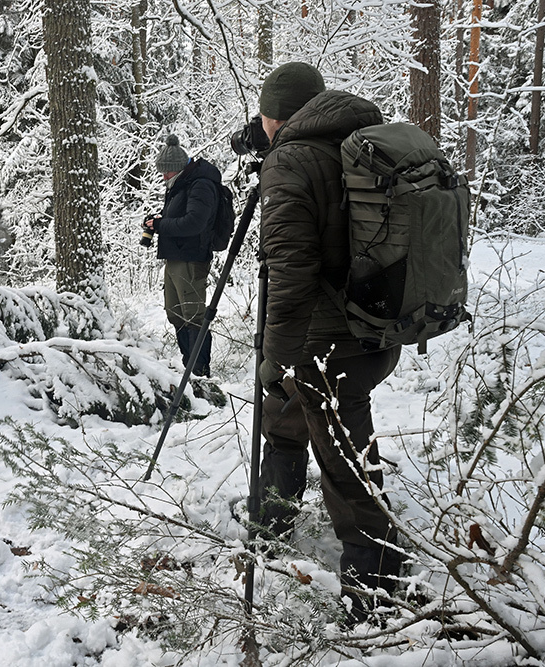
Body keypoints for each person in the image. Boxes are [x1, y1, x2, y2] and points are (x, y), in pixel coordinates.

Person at [254, 62, 402, 623]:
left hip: (327, 344)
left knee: (347, 468)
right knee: (286, 419)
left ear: (274, 117)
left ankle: (375, 593)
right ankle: (271, 517)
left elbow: (289, 275)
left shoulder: (291, 161)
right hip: (375, 329)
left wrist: (275, 359)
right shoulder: (359, 145)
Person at [142, 135, 220, 377]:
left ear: (177, 168)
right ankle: (189, 366)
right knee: (175, 313)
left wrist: (161, 225)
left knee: (193, 316)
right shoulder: (181, 184)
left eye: (166, 172)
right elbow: (180, 216)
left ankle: (199, 372)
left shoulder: (200, 185)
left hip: (191, 258)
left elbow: (194, 223)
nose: (163, 176)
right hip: (175, 256)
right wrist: (158, 221)